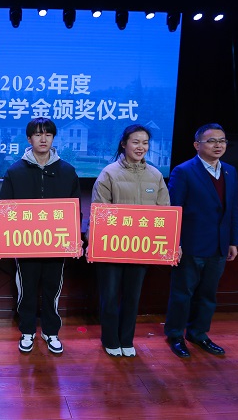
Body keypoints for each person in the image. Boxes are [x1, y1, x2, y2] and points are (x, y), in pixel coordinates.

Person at [0, 117, 81, 354]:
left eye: (48, 134)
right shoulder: (15, 171)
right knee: (26, 289)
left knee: (52, 289)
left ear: (53, 138)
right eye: (37, 134)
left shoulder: (67, 171)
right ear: (29, 139)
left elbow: (75, 209)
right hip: (25, 245)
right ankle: (27, 331)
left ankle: (50, 331)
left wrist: (75, 238)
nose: (43, 139)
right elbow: (4, 209)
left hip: (57, 244)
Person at [90, 124, 171, 357]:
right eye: (135, 142)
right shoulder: (109, 173)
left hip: (141, 249)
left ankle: (127, 339)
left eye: (145, 143)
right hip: (112, 248)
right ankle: (110, 339)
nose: (140, 147)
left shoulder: (155, 175)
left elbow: (164, 213)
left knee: (133, 297)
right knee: (110, 296)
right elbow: (99, 212)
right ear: (124, 144)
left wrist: (171, 243)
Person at [164, 123, 238, 358]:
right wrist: (174, 242)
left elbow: (232, 209)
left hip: (219, 245)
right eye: (212, 141)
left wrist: (233, 240)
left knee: (208, 294)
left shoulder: (230, 171)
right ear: (197, 145)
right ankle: (175, 335)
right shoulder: (184, 171)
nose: (218, 145)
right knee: (182, 293)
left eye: (222, 141)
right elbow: (174, 209)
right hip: (191, 244)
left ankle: (198, 333)